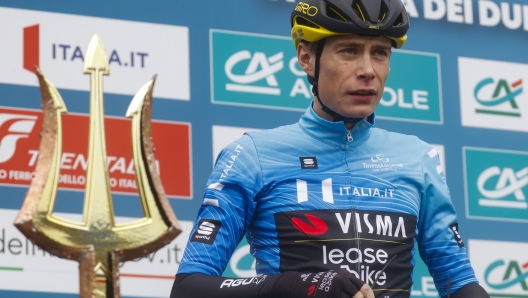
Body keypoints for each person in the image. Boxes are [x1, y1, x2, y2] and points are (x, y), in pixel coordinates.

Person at [171, 0, 489, 297]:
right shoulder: (252, 155)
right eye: (349, 51)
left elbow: (460, 282)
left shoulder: (417, 157)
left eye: (380, 53)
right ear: (306, 57)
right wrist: (294, 285)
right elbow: (188, 287)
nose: (368, 70)